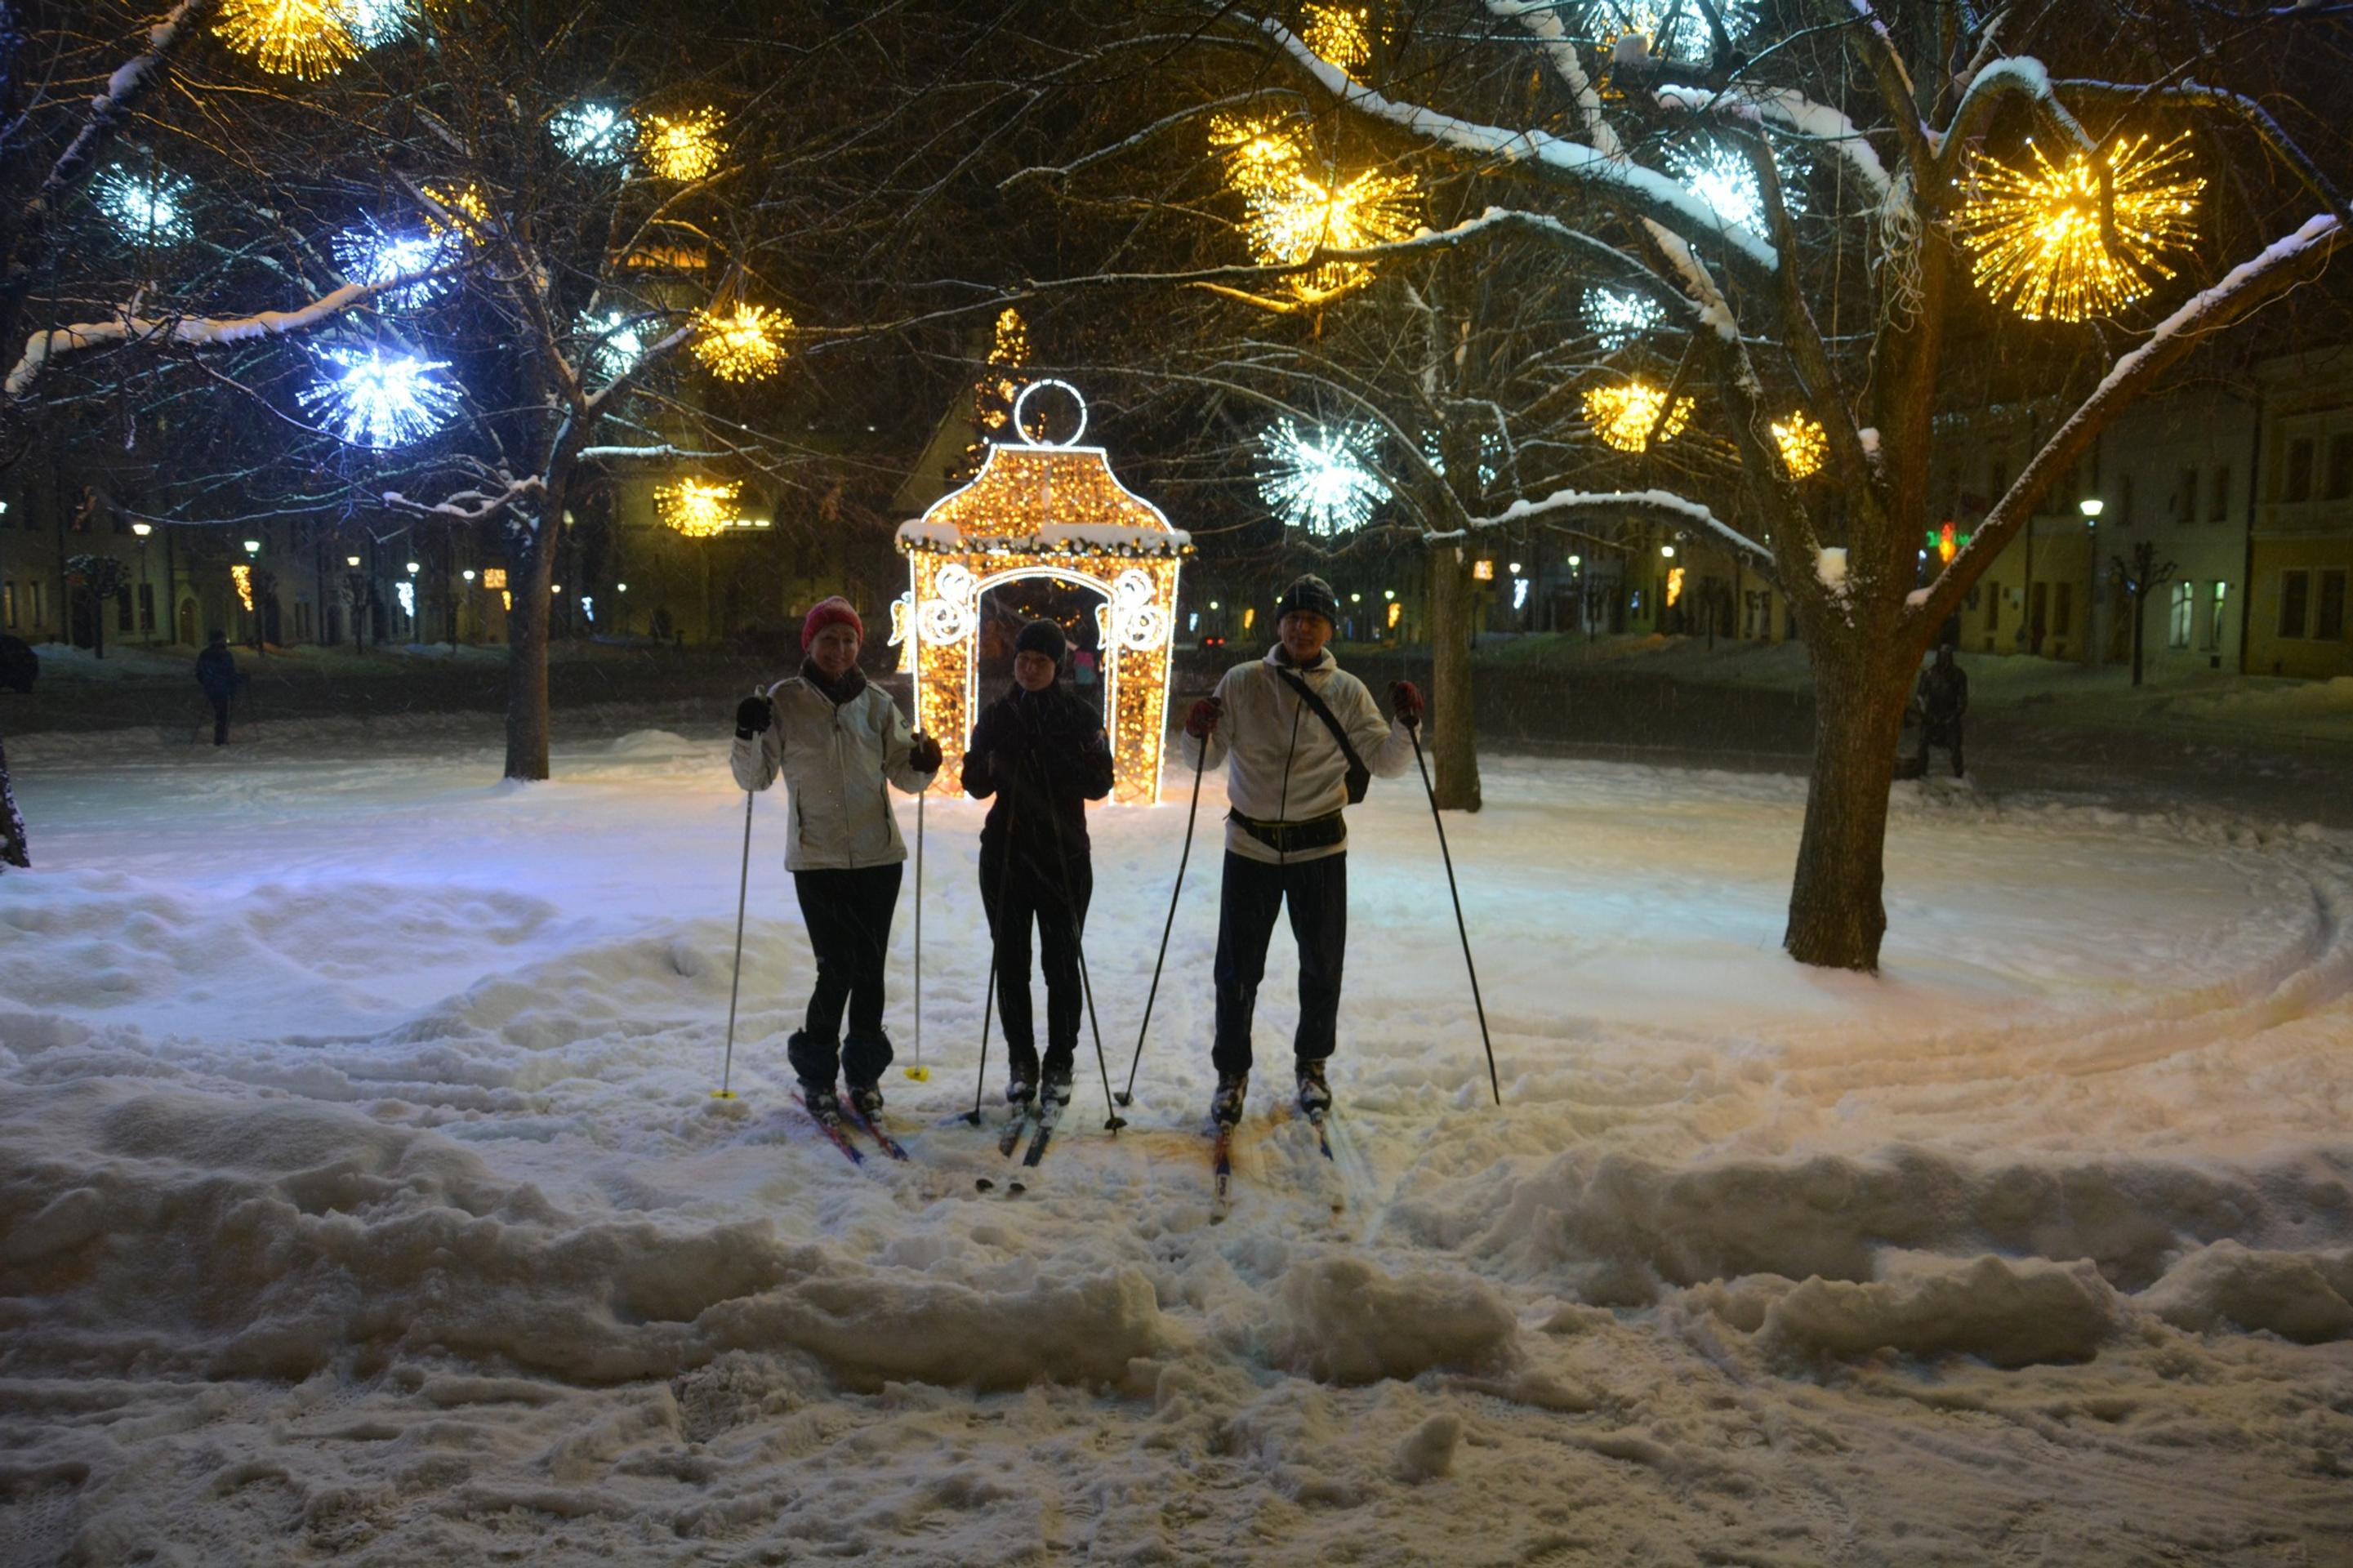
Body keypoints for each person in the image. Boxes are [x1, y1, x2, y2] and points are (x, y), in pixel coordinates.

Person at [1179, 573, 1423, 1127]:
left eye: (1313, 619)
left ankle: (1312, 1066)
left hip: (1319, 848)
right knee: (1236, 971)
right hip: (1250, 846)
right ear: (1278, 625)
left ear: (1328, 628)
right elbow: (1204, 760)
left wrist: (1408, 726)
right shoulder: (1241, 682)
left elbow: (1384, 763)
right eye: (1293, 617)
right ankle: (1231, 1073)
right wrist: (1195, 730)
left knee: (1321, 966)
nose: (1301, 627)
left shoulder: (1347, 691)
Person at [731, 596, 942, 1123]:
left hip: (878, 857)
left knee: (869, 971)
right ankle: (818, 1074)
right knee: (836, 968)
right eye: (829, 640)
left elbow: (904, 776)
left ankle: (864, 1075)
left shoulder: (875, 703)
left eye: (848, 640)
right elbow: (754, 777)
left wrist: (924, 763)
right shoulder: (785, 701)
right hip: (817, 859)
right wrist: (747, 731)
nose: (840, 649)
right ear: (811, 643)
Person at [961, 618, 1115, 1110]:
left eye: (1042, 661)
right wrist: (990, 762)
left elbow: (1101, 782)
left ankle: (1060, 1061)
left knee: (1062, 964)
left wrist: (1055, 758)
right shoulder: (998, 713)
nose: (1030, 669)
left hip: (1063, 855)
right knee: (1011, 962)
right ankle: (1021, 1059)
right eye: (1024, 659)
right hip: (1005, 855)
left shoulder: (1080, 716)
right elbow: (974, 782)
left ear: (1058, 666)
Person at [1917, 644, 1969, 777]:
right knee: (1923, 743)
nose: (1943, 660)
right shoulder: (1929, 673)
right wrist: (1925, 714)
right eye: (1941, 656)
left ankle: (1959, 775)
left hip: (1949, 716)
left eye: (1946, 657)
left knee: (1955, 747)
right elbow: (1920, 696)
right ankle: (1921, 773)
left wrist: (1953, 716)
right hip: (1931, 715)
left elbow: (1962, 700)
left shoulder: (1958, 675)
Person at [195, 631, 238, 746]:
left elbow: (199, 673)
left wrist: (207, 683)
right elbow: (229, 673)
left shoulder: (204, 654)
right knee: (223, 715)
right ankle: (220, 739)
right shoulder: (224, 655)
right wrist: (236, 681)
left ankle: (220, 738)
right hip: (223, 689)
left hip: (211, 689)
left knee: (220, 714)